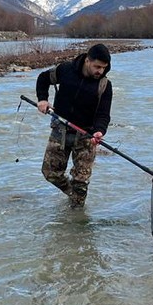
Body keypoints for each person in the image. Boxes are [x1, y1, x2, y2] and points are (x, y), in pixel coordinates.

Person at [35, 43, 113, 207]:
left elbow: (103, 114)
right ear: (87, 60)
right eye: (97, 66)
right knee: (50, 173)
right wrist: (42, 99)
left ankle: (77, 212)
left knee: (81, 183)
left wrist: (99, 131)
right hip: (60, 130)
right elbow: (43, 78)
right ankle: (73, 195)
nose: (100, 71)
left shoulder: (104, 85)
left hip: (86, 137)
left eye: (104, 68)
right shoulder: (65, 70)